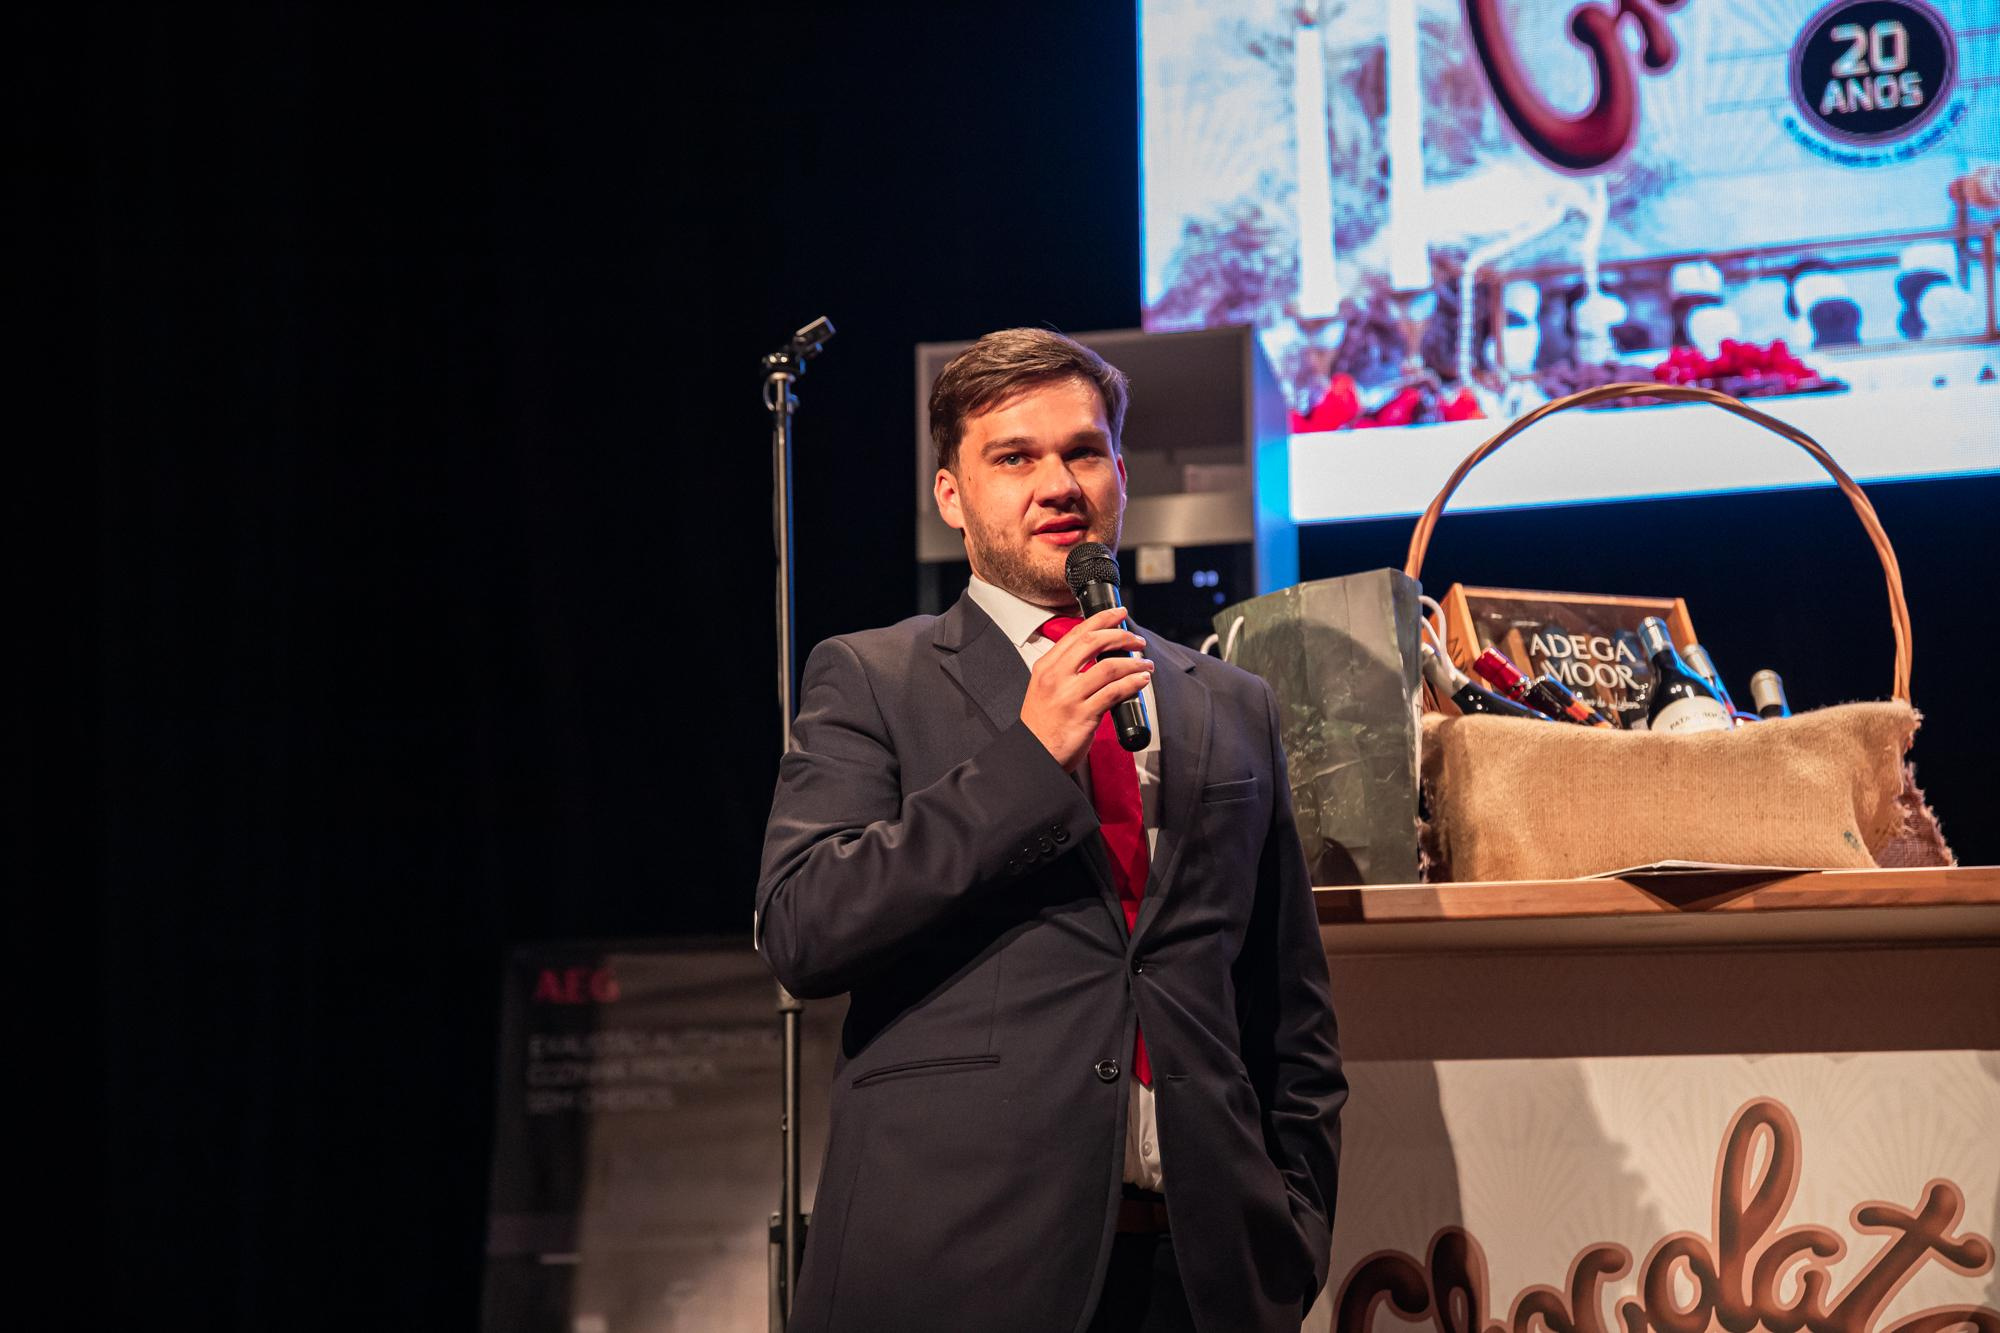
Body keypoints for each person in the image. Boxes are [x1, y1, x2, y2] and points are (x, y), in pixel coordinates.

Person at [756, 328, 1345, 1332]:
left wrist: (1289, 1237)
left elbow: (1291, 1014)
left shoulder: (1230, 701)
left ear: (1120, 473)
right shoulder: (871, 676)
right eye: (1014, 457)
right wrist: (1027, 761)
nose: (1057, 484)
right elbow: (802, 927)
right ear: (951, 496)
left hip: (1202, 1276)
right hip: (955, 1269)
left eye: (1082, 452)